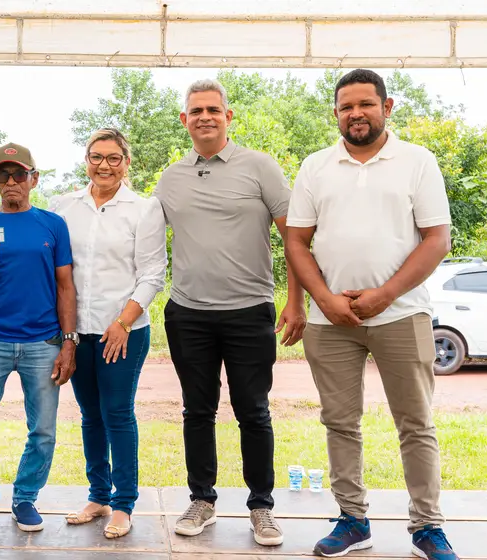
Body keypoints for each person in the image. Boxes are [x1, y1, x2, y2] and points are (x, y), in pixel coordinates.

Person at [285, 69, 459, 560]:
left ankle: (427, 527)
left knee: (416, 424)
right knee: (340, 423)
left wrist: (384, 295)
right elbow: (296, 241)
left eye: (365, 104)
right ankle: (352, 520)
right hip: (331, 322)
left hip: (402, 314)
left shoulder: (417, 161)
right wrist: (324, 299)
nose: (356, 114)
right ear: (335, 113)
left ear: (387, 106)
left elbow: (437, 239)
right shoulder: (316, 166)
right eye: (346, 106)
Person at [153, 79, 306, 546]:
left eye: (213, 110)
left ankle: (261, 507)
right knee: (197, 411)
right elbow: (139, 240)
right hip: (188, 314)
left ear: (228, 116)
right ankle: (202, 500)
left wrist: (296, 300)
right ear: (185, 120)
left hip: (249, 312)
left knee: (253, 412)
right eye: (196, 110)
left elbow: (295, 237)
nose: (205, 117)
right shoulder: (170, 178)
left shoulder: (260, 167)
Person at [51, 128, 167, 539]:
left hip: (124, 332)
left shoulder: (145, 209)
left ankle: (123, 504)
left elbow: (152, 274)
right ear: (86, 161)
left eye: (113, 158)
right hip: (77, 333)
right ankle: (98, 496)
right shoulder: (63, 207)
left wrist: (123, 322)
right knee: (90, 415)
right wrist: (65, 334)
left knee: (117, 413)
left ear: (126, 162)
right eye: (97, 157)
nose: (105, 165)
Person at [0, 143, 77, 535]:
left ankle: (26, 497)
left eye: (19, 174)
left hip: (43, 343)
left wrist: (69, 342)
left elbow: (65, 286)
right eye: (3, 175)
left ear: (34, 179)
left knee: (43, 430)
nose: (11, 182)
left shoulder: (53, 225)